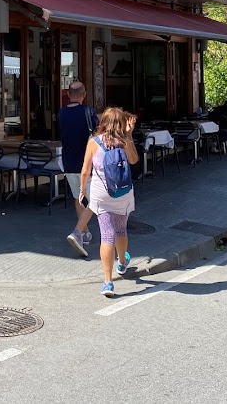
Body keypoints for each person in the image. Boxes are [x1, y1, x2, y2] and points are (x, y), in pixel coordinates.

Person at [68, 107, 139, 297]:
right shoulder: (123, 141)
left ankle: (108, 282)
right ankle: (122, 263)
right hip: (122, 193)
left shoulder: (93, 142)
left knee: (107, 235)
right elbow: (134, 161)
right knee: (121, 230)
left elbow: (85, 170)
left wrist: (82, 191)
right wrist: (129, 134)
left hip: (102, 194)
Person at [58, 81, 99, 252]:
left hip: (68, 162)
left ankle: (85, 233)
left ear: (68, 94)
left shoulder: (61, 114)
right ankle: (77, 231)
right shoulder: (88, 111)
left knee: (78, 197)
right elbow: (98, 134)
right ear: (84, 94)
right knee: (95, 199)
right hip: (87, 163)